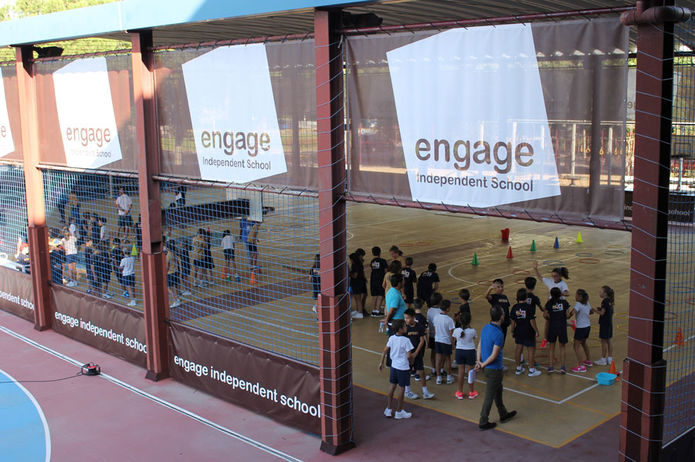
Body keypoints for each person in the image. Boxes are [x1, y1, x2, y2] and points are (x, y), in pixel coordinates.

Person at [476, 305, 517, 430]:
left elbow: (480, 345)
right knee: (490, 394)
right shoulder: (499, 334)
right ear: (501, 317)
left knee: (498, 390)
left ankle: (503, 414)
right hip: (494, 369)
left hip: (487, 367)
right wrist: (483, 364)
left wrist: (479, 361)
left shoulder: (485, 328)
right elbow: (494, 355)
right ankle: (483, 420)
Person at [378, 319, 414, 419]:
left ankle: (389, 409)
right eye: (405, 326)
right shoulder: (406, 340)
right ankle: (399, 411)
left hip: (394, 366)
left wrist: (381, 362)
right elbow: (409, 356)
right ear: (401, 329)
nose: (406, 327)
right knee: (402, 388)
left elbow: (384, 351)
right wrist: (412, 363)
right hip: (403, 367)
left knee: (392, 386)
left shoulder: (392, 338)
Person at [533, 262, 570, 349]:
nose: (554, 278)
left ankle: (549, 339)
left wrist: (559, 294)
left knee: (559, 321)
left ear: (560, 276)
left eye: (555, 276)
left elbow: (567, 293)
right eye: (553, 276)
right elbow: (540, 278)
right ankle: (546, 339)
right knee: (548, 320)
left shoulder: (563, 284)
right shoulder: (550, 281)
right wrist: (535, 269)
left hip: (560, 305)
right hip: (551, 303)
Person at [404, 308, 434, 400]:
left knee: (421, 372)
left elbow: (422, 341)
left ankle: (425, 392)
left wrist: (416, 353)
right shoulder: (405, 328)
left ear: (413, 317)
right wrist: (409, 354)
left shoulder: (419, 327)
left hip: (417, 354)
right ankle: (407, 391)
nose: (406, 320)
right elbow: (403, 342)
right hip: (408, 355)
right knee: (407, 372)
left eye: (408, 318)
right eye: (405, 318)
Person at [510, 288, 541, 377]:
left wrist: (512, 331)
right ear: (526, 297)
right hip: (528, 331)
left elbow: (513, 321)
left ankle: (518, 368)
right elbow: (532, 321)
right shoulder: (528, 307)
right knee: (531, 350)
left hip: (518, 331)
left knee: (518, 348)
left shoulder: (514, 307)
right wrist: (536, 331)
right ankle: (531, 370)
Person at [453, 311, 479, 399]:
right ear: (469, 321)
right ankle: (471, 392)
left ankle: (459, 392)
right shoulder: (472, 331)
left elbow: (455, 338)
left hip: (459, 351)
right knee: (470, 372)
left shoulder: (456, 330)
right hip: (470, 352)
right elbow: (475, 337)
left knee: (461, 372)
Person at [545, 287, 571, 373]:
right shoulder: (564, 303)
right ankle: (563, 367)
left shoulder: (549, 303)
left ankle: (550, 367)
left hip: (552, 327)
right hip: (562, 327)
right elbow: (567, 315)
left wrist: (552, 317)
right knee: (562, 347)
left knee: (551, 347)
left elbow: (545, 315)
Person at [433, 299, 455, 385]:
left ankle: (439, 377)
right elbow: (451, 333)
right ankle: (449, 377)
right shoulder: (449, 320)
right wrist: (452, 343)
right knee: (448, 359)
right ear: (448, 308)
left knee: (438, 359)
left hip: (438, 340)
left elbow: (435, 330)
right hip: (446, 341)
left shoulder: (436, 317)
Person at [572, 289, 594, 372]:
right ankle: (588, 360)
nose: (575, 296)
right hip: (587, 326)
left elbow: (573, 312)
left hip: (581, 328)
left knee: (576, 346)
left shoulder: (578, 304)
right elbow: (591, 311)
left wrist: (567, 315)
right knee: (584, 343)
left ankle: (581, 366)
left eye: (576, 295)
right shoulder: (587, 303)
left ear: (580, 296)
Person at [411, 298, 430, 382]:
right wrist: (426, 342)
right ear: (422, 306)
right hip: (419, 341)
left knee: (412, 355)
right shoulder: (422, 318)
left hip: (411, 339)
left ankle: (413, 371)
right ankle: (418, 375)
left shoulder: (411, 316)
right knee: (419, 357)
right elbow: (424, 332)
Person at [595, 286, 615, 366]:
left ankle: (603, 359)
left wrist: (594, 310)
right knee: (609, 340)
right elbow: (607, 311)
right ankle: (610, 358)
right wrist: (601, 309)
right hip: (609, 323)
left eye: (601, 292)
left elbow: (602, 313)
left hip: (604, 324)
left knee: (603, 341)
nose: (600, 293)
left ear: (605, 293)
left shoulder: (604, 301)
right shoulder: (610, 301)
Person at [426, 292, 443, 375]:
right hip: (439, 336)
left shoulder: (429, 310)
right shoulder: (440, 311)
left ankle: (433, 369)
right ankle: (441, 369)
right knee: (440, 354)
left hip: (432, 335)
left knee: (433, 352)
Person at [369, 246, 388, 316]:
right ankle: (378, 310)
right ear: (380, 252)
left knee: (374, 296)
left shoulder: (372, 261)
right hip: (380, 280)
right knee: (380, 295)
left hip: (373, 280)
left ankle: (373, 311)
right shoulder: (382, 261)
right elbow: (386, 271)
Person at [349, 251, 368, 319]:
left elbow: (355, 275)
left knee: (358, 298)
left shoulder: (355, 265)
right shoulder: (359, 264)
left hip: (357, 283)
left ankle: (360, 312)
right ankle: (358, 311)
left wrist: (348, 273)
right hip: (358, 283)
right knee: (357, 297)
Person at [165, 239, 181, 308]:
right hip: (176, 271)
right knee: (176, 286)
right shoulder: (174, 252)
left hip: (171, 273)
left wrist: (165, 273)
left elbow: (167, 266)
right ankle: (178, 298)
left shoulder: (168, 255)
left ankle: (175, 300)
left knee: (168, 288)